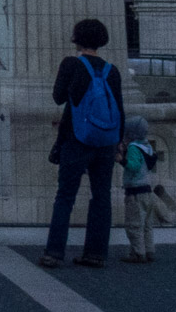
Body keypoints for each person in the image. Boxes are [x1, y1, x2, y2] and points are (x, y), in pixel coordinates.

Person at [40, 18, 125, 268]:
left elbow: (58, 98)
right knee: (101, 196)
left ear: (76, 39)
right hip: (106, 141)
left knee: (65, 196)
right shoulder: (112, 70)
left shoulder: (71, 64)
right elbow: (119, 108)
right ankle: (95, 253)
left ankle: (54, 253)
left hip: (76, 138)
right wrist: (118, 142)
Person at [120, 116, 159, 264]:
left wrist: (122, 160)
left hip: (135, 192)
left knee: (134, 224)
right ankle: (149, 250)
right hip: (147, 191)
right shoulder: (147, 147)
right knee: (147, 224)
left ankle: (137, 253)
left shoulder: (133, 148)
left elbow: (134, 166)